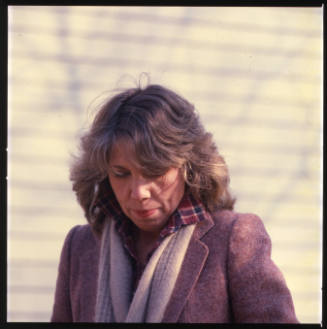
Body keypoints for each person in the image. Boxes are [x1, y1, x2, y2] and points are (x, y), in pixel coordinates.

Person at [51, 83, 299, 323]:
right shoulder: (80, 247)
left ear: (188, 166)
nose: (139, 192)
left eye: (154, 171)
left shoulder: (234, 239)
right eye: (121, 173)